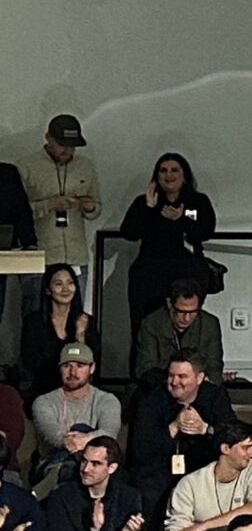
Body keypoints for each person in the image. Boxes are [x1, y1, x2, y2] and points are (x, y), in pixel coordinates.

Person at [118, 153, 216, 352]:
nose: (169, 175)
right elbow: (128, 232)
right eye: (163, 170)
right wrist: (148, 208)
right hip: (150, 273)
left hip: (188, 273)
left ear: (185, 175)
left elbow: (206, 231)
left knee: (186, 326)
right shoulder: (144, 202)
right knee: (145, 328)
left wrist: (181, 219)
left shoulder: (197, 201)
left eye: (174, 170)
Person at [130, 351, 239, 526]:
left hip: (202, 471)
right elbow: (141, 448)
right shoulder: (151, 398)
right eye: (171, 376)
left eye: (182, 376)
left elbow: (233, 435)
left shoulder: (215, 396)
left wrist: (205, 429)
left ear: (199, 378)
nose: (174, 382)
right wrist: (173, 427)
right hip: (161, 471)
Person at [17, 116, 99, 294]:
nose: (67, 150)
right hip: (39, 256)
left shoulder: (85, 166)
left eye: (72, 146)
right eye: (62, 144)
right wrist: (49, 204)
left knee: (75, 316)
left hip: (76, 257)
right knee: (36, 315)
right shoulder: (26, 167)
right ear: (48, 137)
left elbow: (96, 207)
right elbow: (17, 213)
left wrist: (90, 207)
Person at [28, 342, 120, 487]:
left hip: (98, 466)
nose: (72, 372)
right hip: (53, 463)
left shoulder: (107, 400)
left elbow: (109, 433)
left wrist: (85, 440)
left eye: (80, 366)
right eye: (67, 366)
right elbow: (53, 434)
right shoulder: (43, 401)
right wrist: (69, 442)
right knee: (68, 467)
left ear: (92, 368)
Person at [132, 278, 224, 384]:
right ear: (169, 304)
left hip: (199, 387)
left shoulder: (210, 324)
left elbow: (214, 367)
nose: (187, 318)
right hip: (161, 386)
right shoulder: (151, 323)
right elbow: (145, 368)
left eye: (193, 312)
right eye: (181, 311)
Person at [18, 263, 89, 398]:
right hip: (44, 391)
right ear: (48, 290)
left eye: (70, 283)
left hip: (78, 392)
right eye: (58, 284)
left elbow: (89, 366)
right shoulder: (33, 322)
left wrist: (80, 336)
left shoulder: (85, 321)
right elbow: (30, 362)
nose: (65, 289)